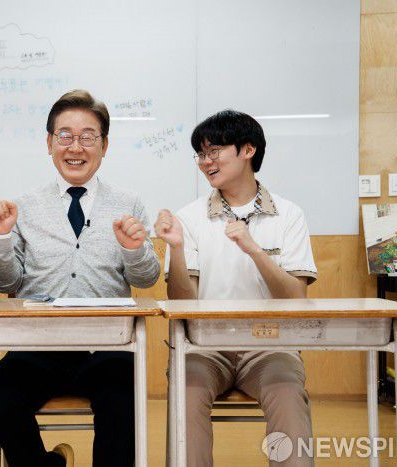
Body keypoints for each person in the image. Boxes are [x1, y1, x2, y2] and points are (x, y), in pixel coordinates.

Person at [0, 89, 160, 467]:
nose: (75, 147)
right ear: (49, 143)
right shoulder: (23, 205)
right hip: (36, 346)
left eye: (87, 136)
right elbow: (5, 283)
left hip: (108, 347)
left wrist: (133, 249)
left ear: (104, 145)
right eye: (65, 135)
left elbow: (146, 279)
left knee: (122, 405)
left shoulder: (128, 203)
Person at [155, 110, 317, 467]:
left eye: (214, 151)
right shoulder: (189, 217)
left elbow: (296, 297)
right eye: (201, 154)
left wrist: (255, 251)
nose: (205, 161)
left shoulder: (288, 214)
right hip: (203, 347)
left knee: (288, 394)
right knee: (186, 392)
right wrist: (176, 249)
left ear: (248, 150)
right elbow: (181, 303)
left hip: (270, 345)